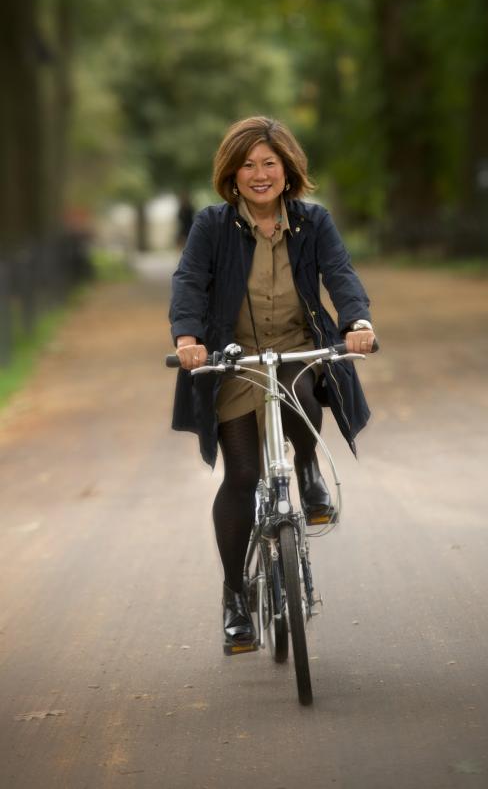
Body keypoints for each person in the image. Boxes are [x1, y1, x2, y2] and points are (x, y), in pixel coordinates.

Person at [169, 116, 376, 650]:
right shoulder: (212, 226)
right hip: (233, 357)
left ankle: (306, 469)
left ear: (288, 170)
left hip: (297, 346)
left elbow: (341, 273)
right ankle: (236, 595)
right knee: (240, 476)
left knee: (302, 389)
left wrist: (358, 322)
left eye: (269, 163)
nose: (259, 174)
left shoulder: (314, 222)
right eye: (248, 166)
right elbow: (190, 279)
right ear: (232, 175)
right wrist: (188, 337)